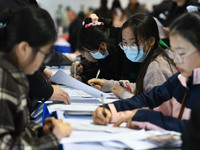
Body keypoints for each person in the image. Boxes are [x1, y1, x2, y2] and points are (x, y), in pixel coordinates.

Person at [92, 12, 200, 133]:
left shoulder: (159, 68)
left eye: (182, 54)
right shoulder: (181, 80)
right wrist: (110, 110)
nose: (175, 60)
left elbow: (191, 129)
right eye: (173, 52)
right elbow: (148, 99)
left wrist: (143, 118)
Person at [0, 6, 72, 149]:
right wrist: (53, 138)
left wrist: (39, 132)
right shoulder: (4, 80)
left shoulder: (13, 74)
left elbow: (15, 131)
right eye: (44, 54)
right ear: (23, 48)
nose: (43, 63)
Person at [88, 14, 177, 99]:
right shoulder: (153, 59)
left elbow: (153, 106)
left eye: (133, 43)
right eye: (125, 43)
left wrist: (123, 94)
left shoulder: (156, 69)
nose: (128, 48)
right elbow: (143, 88)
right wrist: (107, 85)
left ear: (151, 41)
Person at [74, 14, 126, 81]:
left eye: (87, 51)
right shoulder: (106, 48)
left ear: (102, 45)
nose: (83, 56)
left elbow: (115, 78)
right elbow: (101, 71)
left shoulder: (123, 52)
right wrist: (83, 76)